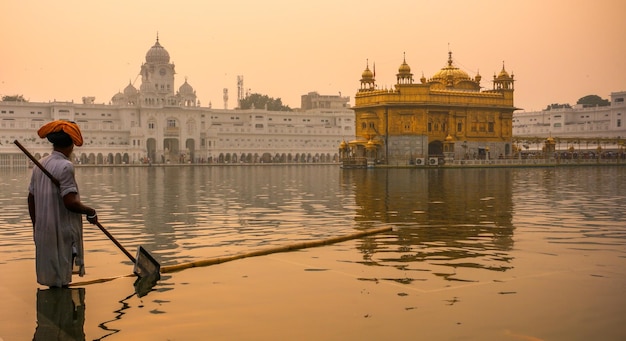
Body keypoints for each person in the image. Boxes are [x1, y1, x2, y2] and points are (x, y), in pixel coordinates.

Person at [28, 120, 98, 287]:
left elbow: (31, 198)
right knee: (62, 278)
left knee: (53, 281)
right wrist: (90, 211)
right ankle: (64, 311)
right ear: (72, 145)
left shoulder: (41, 164)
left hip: (44, 230)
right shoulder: (65, 166)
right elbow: (70, 202)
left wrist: (36, 225)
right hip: (61, 232)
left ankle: (54, 310)